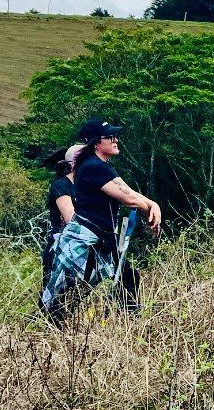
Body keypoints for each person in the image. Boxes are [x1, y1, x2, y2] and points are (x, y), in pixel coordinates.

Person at [41, 119, 162, 324]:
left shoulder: (99, 166)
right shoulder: (92, 167)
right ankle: (50, 329)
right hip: (87, 238)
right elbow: (129, 199)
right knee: (67, 292)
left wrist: (153, 205)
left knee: (126, 277)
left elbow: (129, 192)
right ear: (97, 143)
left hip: (101, 238)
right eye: (110, 137)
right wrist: (149, 210)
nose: (116, 140)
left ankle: (129, 323)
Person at [41, 146, 80, 290]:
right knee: (56, 295)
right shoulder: (61, 185)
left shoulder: (84, 187)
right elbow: (71, 220)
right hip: (61, 245)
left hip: (79, 244)